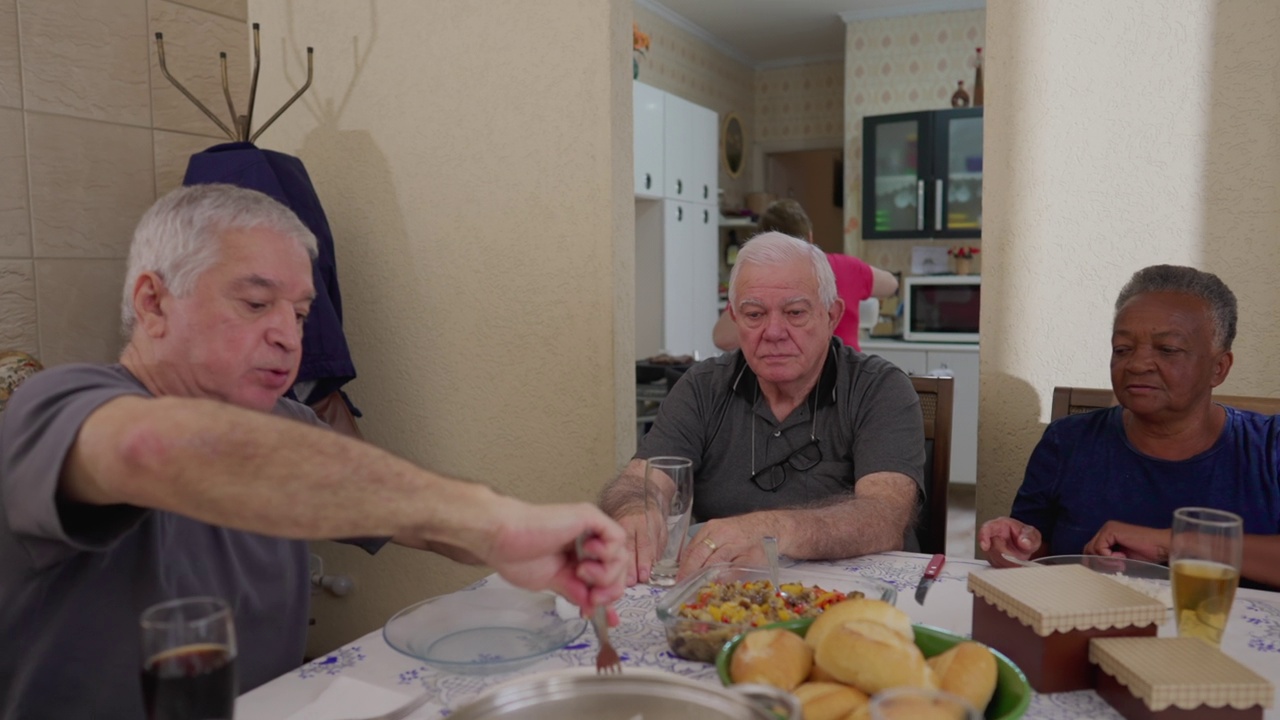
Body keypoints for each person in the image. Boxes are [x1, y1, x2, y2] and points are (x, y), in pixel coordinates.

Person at [0, 184, 627, 719]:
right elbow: (150, 447)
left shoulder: (291, 423)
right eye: (254, 303)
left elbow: (400, 507)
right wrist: (493, 523)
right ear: (153, 302)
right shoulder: (57, 405)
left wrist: (531, 542)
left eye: (299, 314)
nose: (286, 335)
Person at [601, 232, 924, 586]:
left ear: (832, 315)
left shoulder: (879, 387)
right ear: (735, 319)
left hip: (851, 599)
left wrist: (770, 529)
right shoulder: (702, 387)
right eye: (754, 314)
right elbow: (639, 481)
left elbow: (884, 517)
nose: (773, 332)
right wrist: (636, 511)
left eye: (795, 313)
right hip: (726, 599)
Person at [979, 265, 1280, 587]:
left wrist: (1173, 543)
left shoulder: (1269, 447)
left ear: (1219, 368)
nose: (1136, 364)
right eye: (1122, 349)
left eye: (1167, 350)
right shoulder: (1067, 442)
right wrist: (1019, 547)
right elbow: (1040, 558)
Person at [713, 199, 898, 352]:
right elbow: (891, 284)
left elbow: (722, 338)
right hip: (846, 380)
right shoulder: (846, 267)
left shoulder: (758, 283)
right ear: (810, 237)